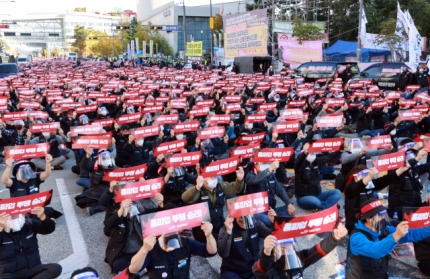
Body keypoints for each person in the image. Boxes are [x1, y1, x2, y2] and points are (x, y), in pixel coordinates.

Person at [346, 198, 430, 279]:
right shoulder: (357, 237)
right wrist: (395, 236)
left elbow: (410, 234)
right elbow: (375, 251)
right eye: (379, 215)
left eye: (383, 214)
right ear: (368, 219)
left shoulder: (383, 229)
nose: (383, 218)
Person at [119, 223, 217, 278]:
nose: (170, 234)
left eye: (173, 231)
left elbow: (211, 252)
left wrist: (209, 235)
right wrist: (144, 250)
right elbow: (133, 269)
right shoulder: (151, 247)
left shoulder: (185, 242)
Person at [252, 223, 348, 279]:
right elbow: (259, 271)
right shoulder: (270, 266)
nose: (287, 247)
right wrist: (266, 253)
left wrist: (335, 237)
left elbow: (318, 251)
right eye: (282, 245)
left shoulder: (298, 258)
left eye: (290, 243)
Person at [181, 167, 245, 243]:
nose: (213, 178)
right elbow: (185, 198)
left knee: (235, 235)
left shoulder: (220, 185)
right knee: (224, 240)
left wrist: (240, 180)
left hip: (220, 224)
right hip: (203, 229)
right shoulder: (198, 190)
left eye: (214, 176)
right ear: (203, 178)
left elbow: (235, 188)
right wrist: (197, 187)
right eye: (210, 176)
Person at [0, 207, 62, 279]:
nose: (15, 218)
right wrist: (0, 227)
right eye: (12, 216)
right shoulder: (1, 230)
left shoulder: (29, 224)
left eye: (18, 215)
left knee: (55, 268)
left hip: (33, 269)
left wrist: (42, 216)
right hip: (10, 273)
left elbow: (49, 229)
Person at [217, 211, 275, 279]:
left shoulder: (256, 223)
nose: (243, 218)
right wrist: (228, 231)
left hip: (254, 268)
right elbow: (223, 253)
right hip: (233, 270)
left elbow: (273, 236)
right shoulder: (225, 228)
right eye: (240, 216)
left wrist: (274, 223)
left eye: (246, 215)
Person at [246, 160, 296, 228]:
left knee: (290, 211)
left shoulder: (271, 176)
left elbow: (280, 190)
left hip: (271, 210)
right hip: (258, 212)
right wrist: (270, 169)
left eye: (268, 163)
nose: (267, 165)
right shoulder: (250, 176)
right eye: (264, 163)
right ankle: (278, 225)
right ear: (256, 164)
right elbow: (255, 180)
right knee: (263, 218)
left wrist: (289, 203)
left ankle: (276, 224)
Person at [294, 143, 342, 211]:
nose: (313, 155)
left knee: (337, 192)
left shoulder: (315, 161)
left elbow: (328, 158)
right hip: (304, 198)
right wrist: (304, 152)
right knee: (315, 202)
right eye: (311, 153)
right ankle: (328, 206)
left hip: (318, 195)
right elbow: (298, 162)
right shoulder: (300, 164)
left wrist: (339, 151)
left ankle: (323, 207)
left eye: (314, 153)